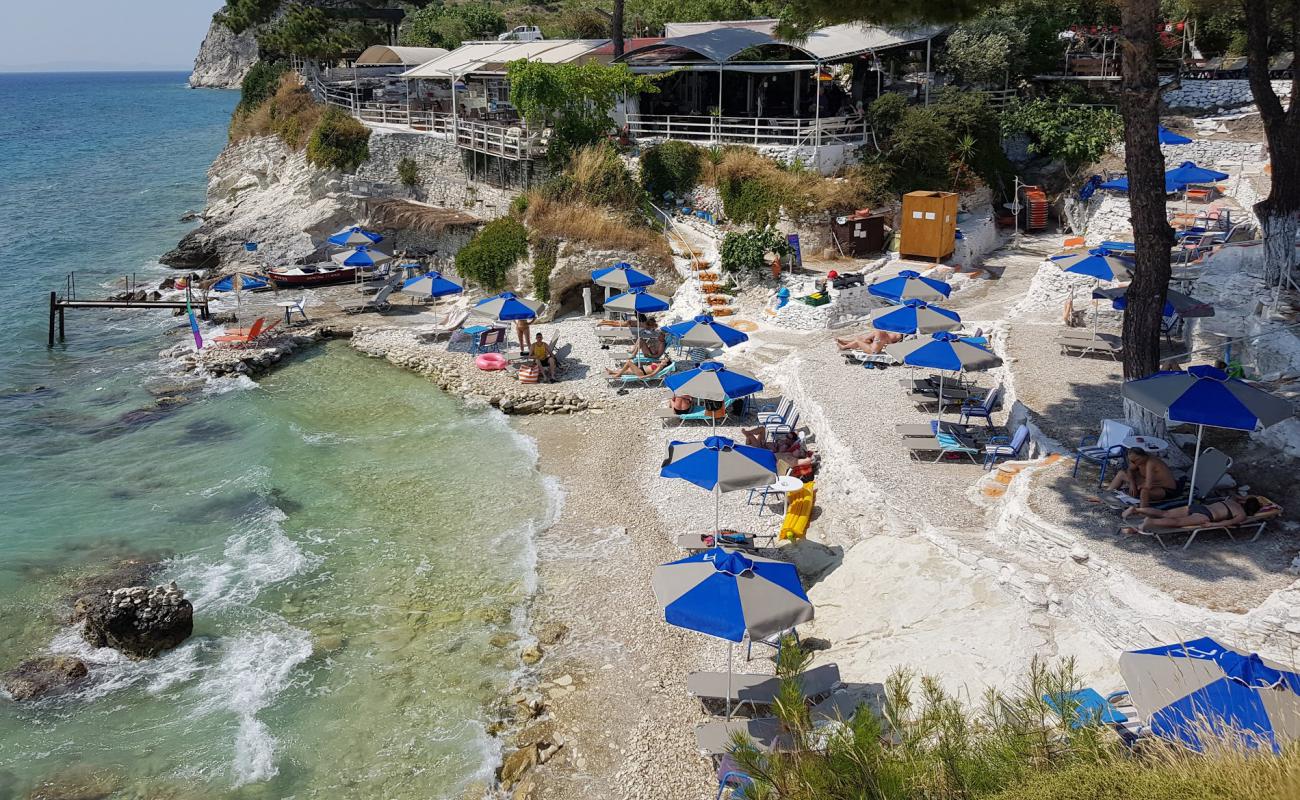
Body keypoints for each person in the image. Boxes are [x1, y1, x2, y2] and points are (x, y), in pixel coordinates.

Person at [1121, 495, 1266, 534]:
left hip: (1198, 506)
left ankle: (1137, 510)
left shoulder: (1233, 501)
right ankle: (1150, 522)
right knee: (1177, 523)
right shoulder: (1241, 514)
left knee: (1164, 512)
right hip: (1207, 516)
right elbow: (1228, 523)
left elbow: (1235, 495)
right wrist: (1213, 524)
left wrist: (1243, 498)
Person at [1109, 450, 1179, 507]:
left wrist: (1138, 486)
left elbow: (1148, 486)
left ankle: (1142, 512)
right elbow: (1129, 470)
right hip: (1150, 482)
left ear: (1143, 456)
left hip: (1165, 489)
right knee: (1121, 473)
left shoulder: (1150, 463)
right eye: (1132, 461)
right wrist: (1132, 484)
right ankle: (1106, 494)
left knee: (1144, 491)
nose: (1134, 463)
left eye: (1135, 460)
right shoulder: (1137, 460)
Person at [607, 353, 671, 378]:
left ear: (665, 364)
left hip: (642, 373)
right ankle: (612, 372)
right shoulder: (659, 364)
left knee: (629, 362)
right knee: (627, 371)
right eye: (664, 358)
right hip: (641, 370)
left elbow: (653, 374)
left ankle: (617, 375)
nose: (663, 359)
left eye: (665, 360)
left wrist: (643, 377)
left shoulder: (660, 367)